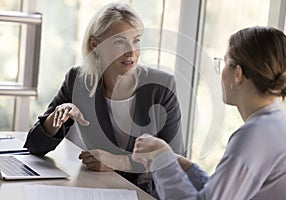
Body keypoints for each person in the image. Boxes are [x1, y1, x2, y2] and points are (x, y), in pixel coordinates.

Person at [24, 2, 183, 197]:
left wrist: (119, 162)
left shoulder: (162, 86)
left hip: (146, 194)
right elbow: (34, 146)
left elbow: (174, 158)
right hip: (96, 189)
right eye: (119, 41)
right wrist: (56, 118)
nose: (131, 51)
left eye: (136, 40)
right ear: (95, 44)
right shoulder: (79, 80)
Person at [132, 26, 286, 200]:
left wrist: (161, 159)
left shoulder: (255, 135)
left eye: (225, 63)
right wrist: (184, 166)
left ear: (238, 74)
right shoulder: (285, 128)